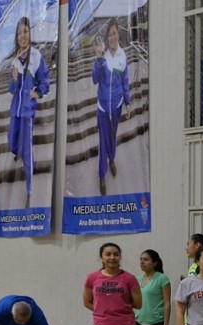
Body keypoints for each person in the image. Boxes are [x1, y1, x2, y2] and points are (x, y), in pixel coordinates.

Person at [7, 16, 50, 208]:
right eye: (19, 33)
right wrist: (14, 79)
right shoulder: (15, 60)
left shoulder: (36, 57)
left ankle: (29, 190)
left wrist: (38, 92)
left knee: (26, 149)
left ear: (30, 34)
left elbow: (45, 80)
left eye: (25, 31)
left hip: (27, 112)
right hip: (15, 111)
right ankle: (22, 153)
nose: (22, 36)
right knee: (12, 141)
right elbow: (11, 88)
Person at [92, 17, 131, 197]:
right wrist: (99, 60)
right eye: (110, 35)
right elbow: (95, 79)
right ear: (107, 37)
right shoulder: (103, 55)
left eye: (115, 34)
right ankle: (102, 175)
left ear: (118, 35)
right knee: (103, 141)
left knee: (113, 136)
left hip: (116, 105)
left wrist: (128, 103)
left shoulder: (123, 57)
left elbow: (125, 82)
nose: (113, 37)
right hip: (102, 107)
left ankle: (112, 158)